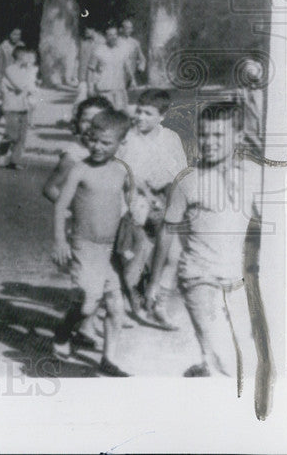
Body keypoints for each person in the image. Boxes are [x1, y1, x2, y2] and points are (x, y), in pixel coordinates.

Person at [145, 102, 264, 379]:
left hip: (238, 277)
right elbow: (167, 230)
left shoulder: (253, 174)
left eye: (218, 136)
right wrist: (154, 281)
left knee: (239, 349)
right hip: (199, 275)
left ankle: (205, 372)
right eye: (205, 135)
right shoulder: (188, 180)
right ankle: (211, 373)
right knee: (222, 353)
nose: (209, 142)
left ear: (237, 136)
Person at [51, 109, 133, 377]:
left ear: (122, 142)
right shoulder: (80, 169)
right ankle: (63, 332)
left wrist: (140, 210)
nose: (97, 147)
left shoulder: (122, 170)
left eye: (105, 143)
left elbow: (133, 198)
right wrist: (60, 240)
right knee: (87, 304)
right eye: (94, 140)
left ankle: (108, 359)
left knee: (116, 306)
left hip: (110, 249)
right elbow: (60, 205)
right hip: (84, 245)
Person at [115, 89, 188, 325]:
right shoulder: (126, 138)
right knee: (134, 258)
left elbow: (180, 174)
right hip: (132, 203)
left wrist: (166, 188)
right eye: (138, 111)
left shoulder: (170, 138)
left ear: (162, 116)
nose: (140, 117)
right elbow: (118, 171)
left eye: (148, 113)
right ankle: (126, 303)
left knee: (174, 255)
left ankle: (159, 302)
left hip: (161, 202)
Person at [43, 95, 114, 204]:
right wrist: (75, 210)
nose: (91, 126)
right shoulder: (73, 155)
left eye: (98, 121)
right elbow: (50, 188)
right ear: (77, 122)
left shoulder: (115, 146)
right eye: (85, 121)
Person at [0, 46, 38, 170]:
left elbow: (31, 88)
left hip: (23, 106)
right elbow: (20, 86)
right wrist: (29, 85)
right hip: (11, 107)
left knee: (22, 136)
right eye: (27, 56)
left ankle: (15, 160)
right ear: (20, 56)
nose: (30, 59)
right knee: (11, 135)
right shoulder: (10, 70)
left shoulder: (27, 70)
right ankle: (2, 151)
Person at [85, 24, 134, 111]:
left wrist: (132, 80)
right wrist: (90, 87)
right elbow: (90, 70)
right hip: (104, 90)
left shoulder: (122, 50)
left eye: (115, 34)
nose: (113, 37)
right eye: (110, 35)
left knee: (121, 114)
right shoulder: (98, 51)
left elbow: (127, 67)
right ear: (105, 37)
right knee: (106, 115)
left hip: (119, 90)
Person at [0, 27, 24, 129]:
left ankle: (14, 126)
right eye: (14, 34)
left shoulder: (21, 46)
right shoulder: (3, 47)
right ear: (9, 34)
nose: (16, 37)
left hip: (18, 80)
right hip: (6, 80)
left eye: (18, 34)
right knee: (6, 103)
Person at [119, 19, 147, 88]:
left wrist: (140, 67)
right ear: (121, 29)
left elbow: (142, 58)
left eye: (131, 28)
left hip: (131, 75)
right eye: (127, 28)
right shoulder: (117, 42)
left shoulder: (135, 43)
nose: (130, 30)